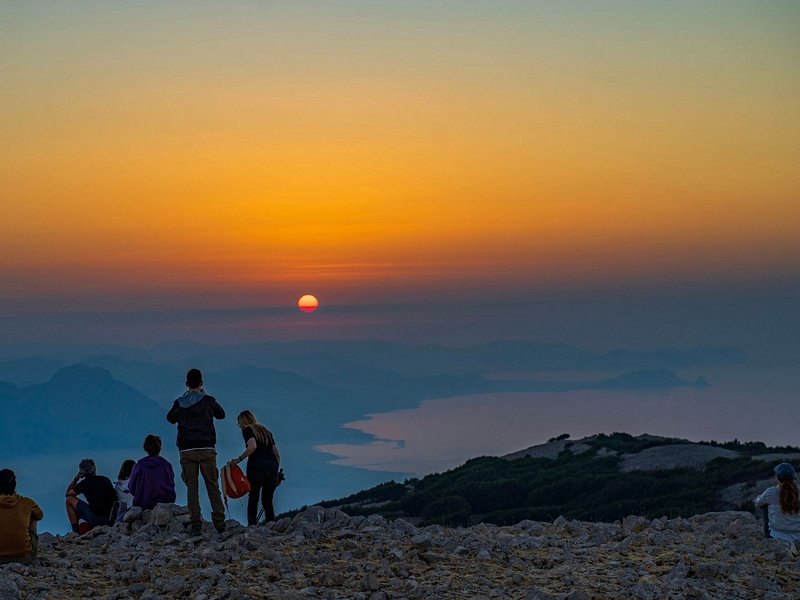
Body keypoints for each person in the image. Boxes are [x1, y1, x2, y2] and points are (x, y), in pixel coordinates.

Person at [167, 368, 226, 536]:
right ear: (201, 383)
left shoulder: (180, 402)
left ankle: (196, 525)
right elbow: (221, 414)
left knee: (192, 488)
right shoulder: (208, 400)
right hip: (207, 448)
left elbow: (170, 418)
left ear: (186, 384)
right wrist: (205, 396)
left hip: (187, 450)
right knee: (212, 486)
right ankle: (220, 523)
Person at [229, 410, 281, 525]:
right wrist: (276, 470)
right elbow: (276, 452)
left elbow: (252, 446)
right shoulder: (266, 431)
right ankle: (271, 525)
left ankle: (252, 525)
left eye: (239, 423)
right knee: (267, 500)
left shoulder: (248, 430)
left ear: (243, 421)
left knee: (254, 497)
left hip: (256, 466)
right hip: (272, 466)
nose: (240, 426)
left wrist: (239, 459)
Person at [754, 462, 800, 554]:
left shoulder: (771, 492)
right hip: (798, 534)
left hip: (775, 535)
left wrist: (760, 498)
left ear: (778, 477)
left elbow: (757, 503)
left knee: (764, 505)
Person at [0, 469, 43, 564]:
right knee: (33, 517)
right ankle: (20, 548)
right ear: (14, 485)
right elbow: (40, 516)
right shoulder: (27, 502)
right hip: (23, 558)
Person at [65, 458, 117, 533]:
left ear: (82, 472)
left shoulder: (84, 483)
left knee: (69, 500)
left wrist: (76, 478)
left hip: (96, 518)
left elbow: (67, 494)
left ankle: (75, 531)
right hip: (110, 517)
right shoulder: (105, 479)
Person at [128, 434, 177, 510]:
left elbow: (131, 487)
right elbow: (171, 486)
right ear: (159, 448)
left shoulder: (139, 466)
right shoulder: (166, 465)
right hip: (163, 506)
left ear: (145, 447)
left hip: (142, 505)